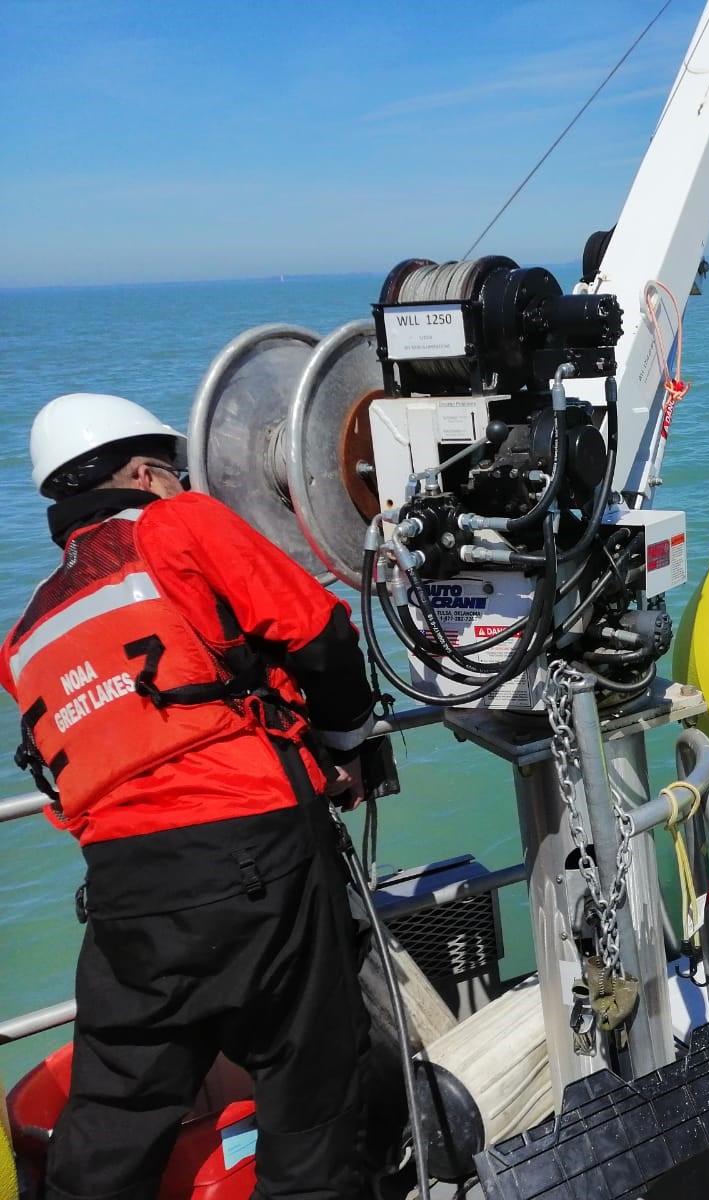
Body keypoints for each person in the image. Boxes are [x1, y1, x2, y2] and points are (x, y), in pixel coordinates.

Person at [1, 393, 379, 1199]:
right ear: (145, 473)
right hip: (256, 846)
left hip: (124, 888)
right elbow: (321, 634)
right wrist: (344, 745)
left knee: (117, 1106)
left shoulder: (27, 631)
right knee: (309, 1079)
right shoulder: (176, 523)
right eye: (172, 469)